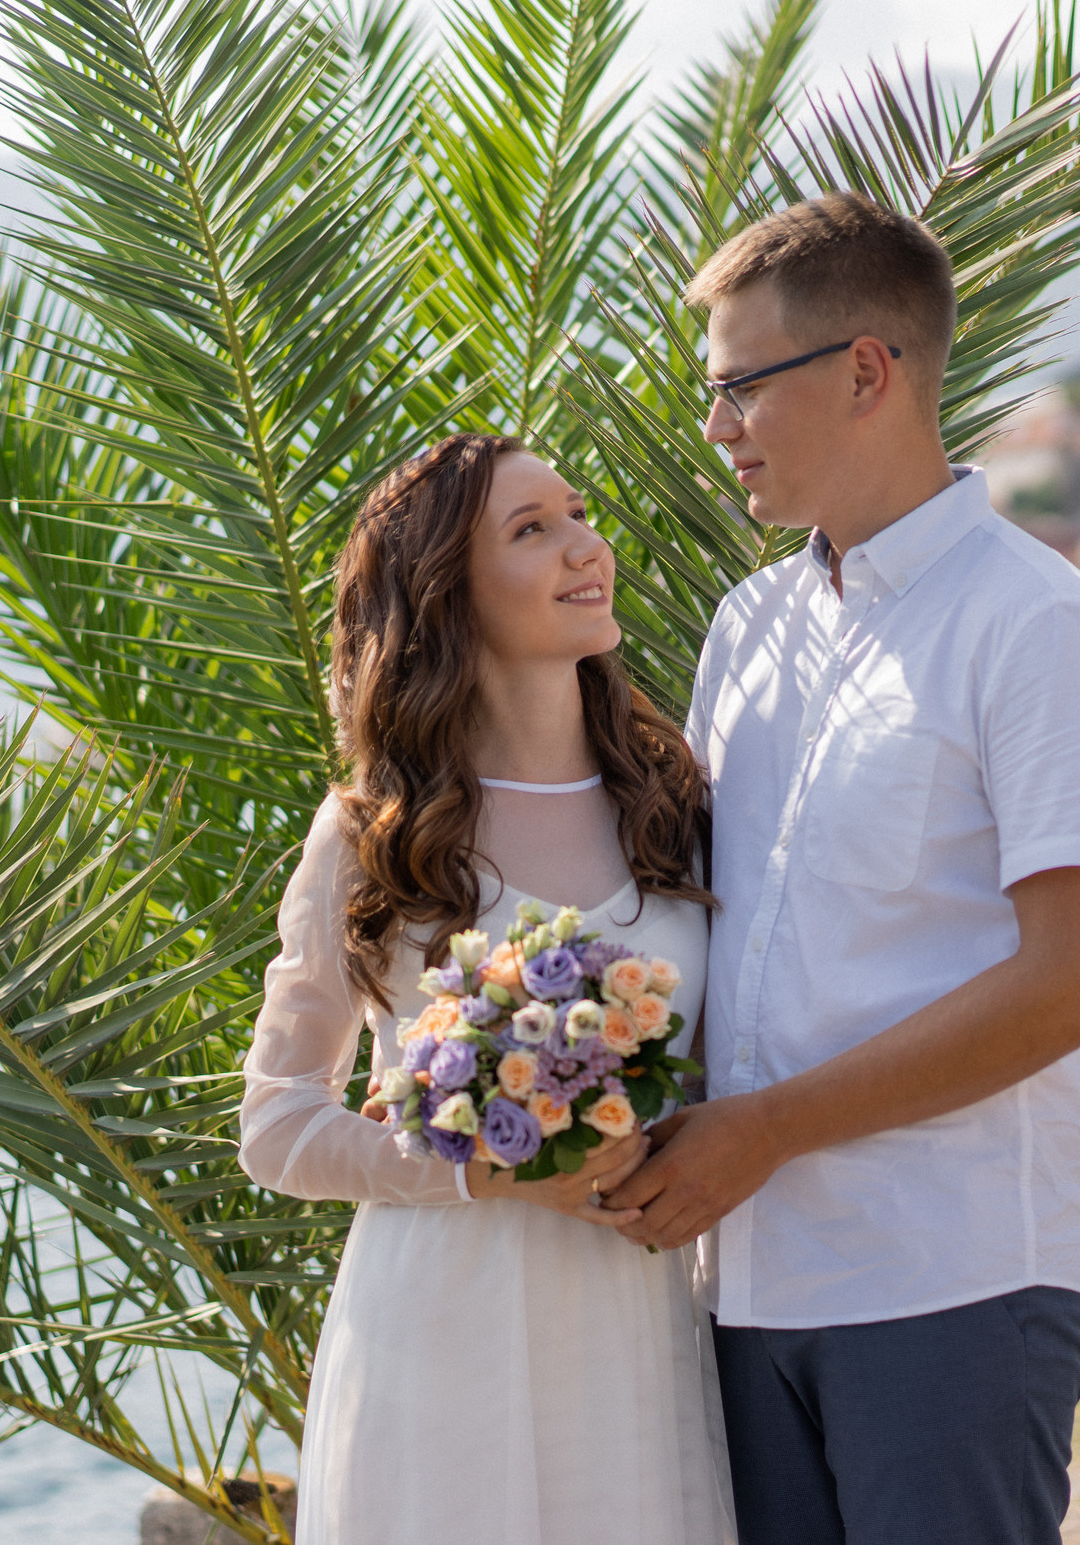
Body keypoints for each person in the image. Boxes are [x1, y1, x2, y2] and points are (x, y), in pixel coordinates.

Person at [606, 193, 1080, 1544]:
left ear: (867, 369)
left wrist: (770, 1126)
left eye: (741, 385)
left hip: (953, 1279)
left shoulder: (1037, 624)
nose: (716, 426)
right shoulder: (747, 627)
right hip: (747, 1288)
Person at [238, 432, 734, 1544]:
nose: (582, 546)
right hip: (438, 1332)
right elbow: (276, 1127)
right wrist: (489, 1177)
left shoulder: (680, 806)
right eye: (531, 530)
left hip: (635, 1328)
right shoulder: (373, 834)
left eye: (576, 512)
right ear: (444, 597)